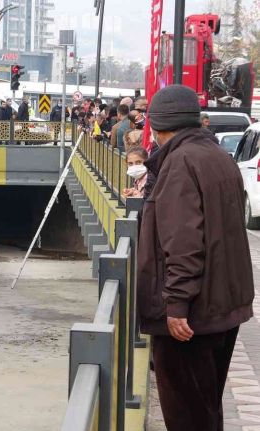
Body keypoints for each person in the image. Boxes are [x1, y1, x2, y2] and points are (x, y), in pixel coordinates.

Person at [137, 84, 254, 431]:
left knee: (187, 415)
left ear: (158, 125)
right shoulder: (219, 157)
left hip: (190, 317)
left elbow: (183, 242)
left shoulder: (179, 163)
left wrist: (176, 305)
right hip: (222, 308)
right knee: (206, 410)